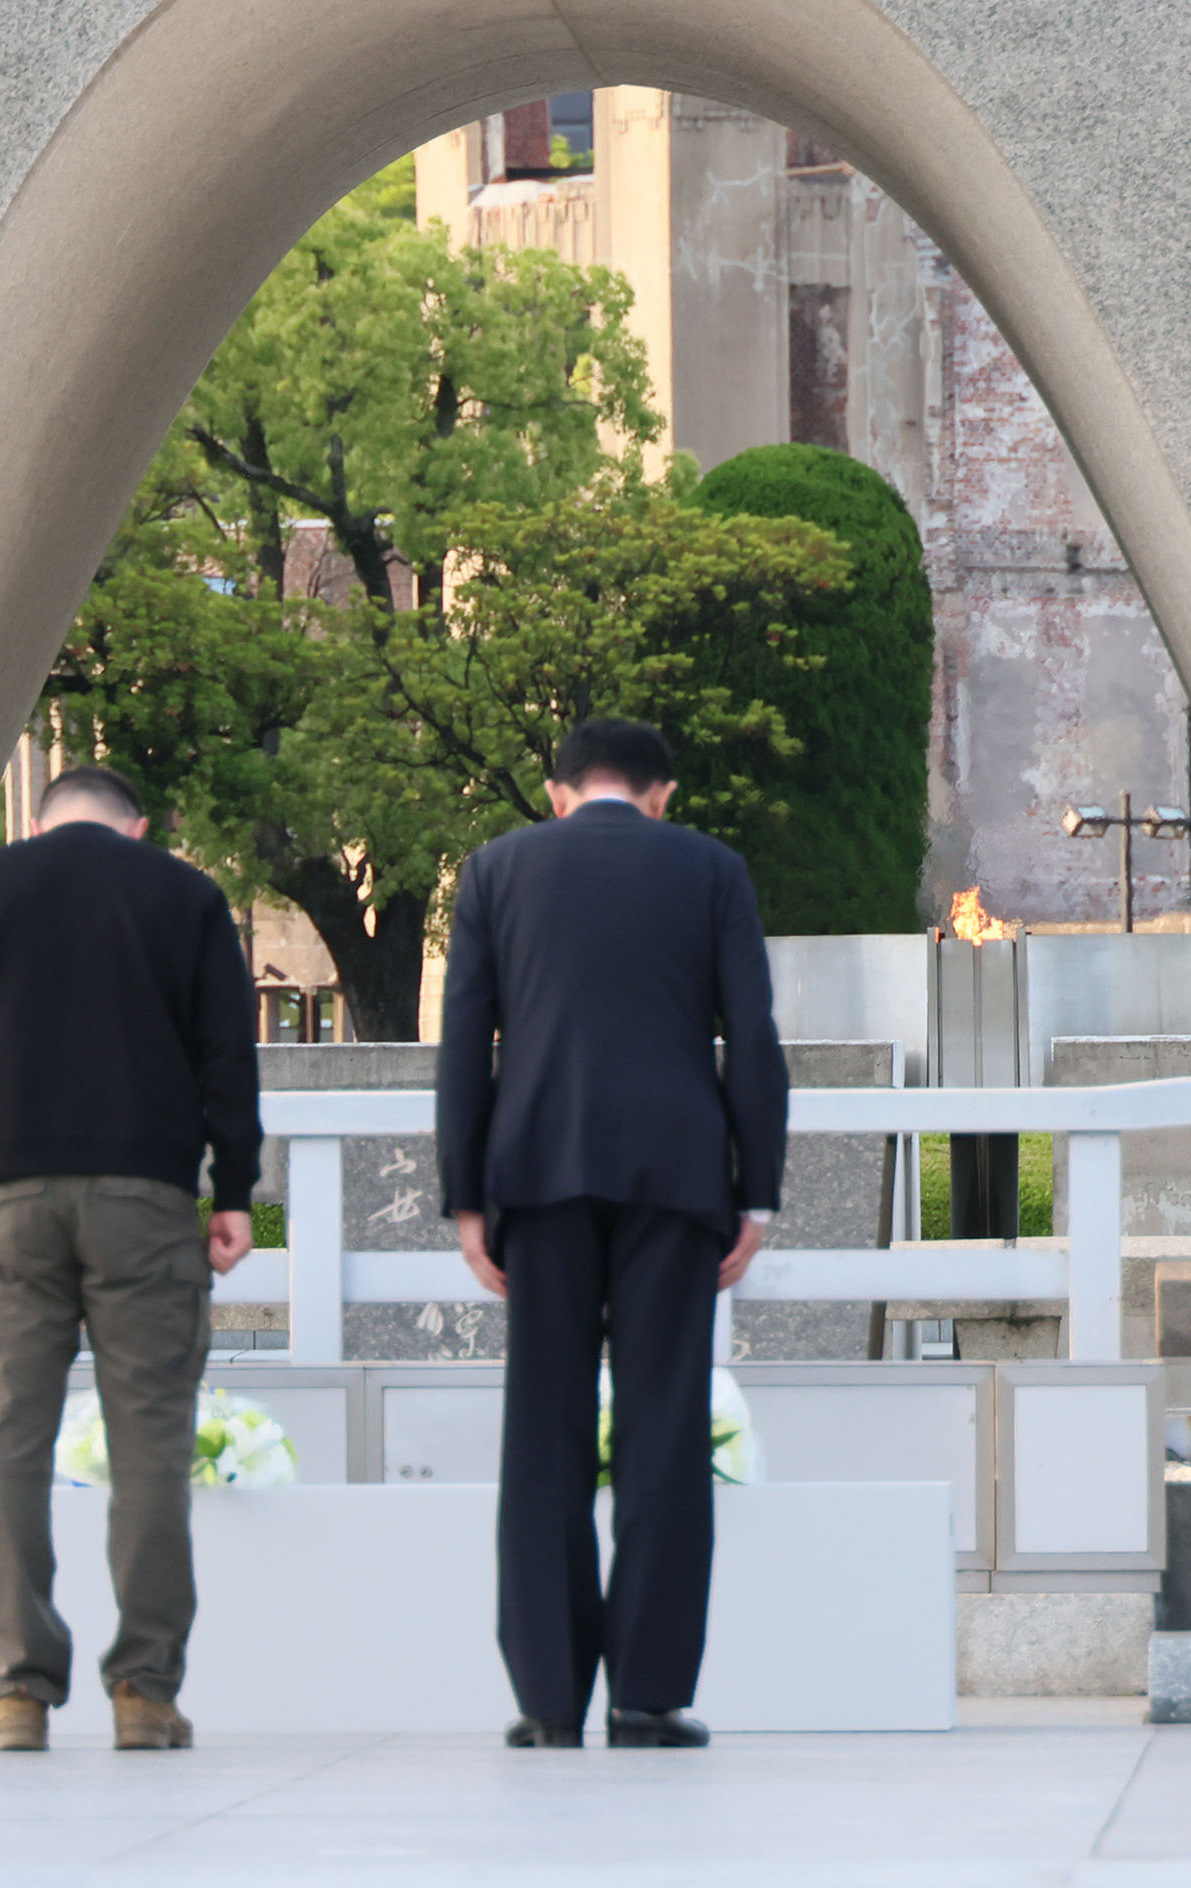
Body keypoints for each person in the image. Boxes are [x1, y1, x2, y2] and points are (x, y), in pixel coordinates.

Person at [437, 715, 789, 1751]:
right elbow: (750, 1038)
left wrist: (467, 1196)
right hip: (675, 1176)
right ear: (660, 790)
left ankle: (548, 1698)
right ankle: (646, 1694)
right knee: (664, 1430)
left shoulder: (497, 869)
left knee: (540, 1431)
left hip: (537, 1176)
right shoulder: (711, 869)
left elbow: (467, 1040)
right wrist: (754, 1192)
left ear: (558, 789)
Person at [0, 762, 261, 1755]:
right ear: (136, 827)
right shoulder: (186, 895)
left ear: (33, 819)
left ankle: (16, 1689)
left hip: (10, 1201)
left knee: (9, 1443)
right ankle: (144, 1688)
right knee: (150, 1448)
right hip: (145, 1199)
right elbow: (228, 1050)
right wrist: (232, 1188)